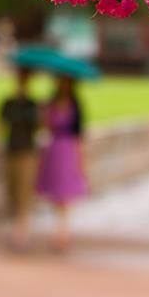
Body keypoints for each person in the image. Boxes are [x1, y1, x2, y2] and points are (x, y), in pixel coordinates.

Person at [36, 74, 89, 251]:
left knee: (66, 194)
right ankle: (59, 230)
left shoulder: (75, 106)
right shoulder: (51, 104)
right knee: (55, 193)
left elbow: (79, 136)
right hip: (54, 150)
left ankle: (63, 232)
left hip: (68, 150)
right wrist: (42, 112)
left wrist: (81, 161)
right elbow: (44, 127)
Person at [0, 66, 39, 250]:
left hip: (27, 152)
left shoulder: (33, 105)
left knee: (24, 193)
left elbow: (41, 128)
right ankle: (17, 229)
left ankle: (22, 233)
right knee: (12, 193)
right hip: (11, 150)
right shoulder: (9, 103)